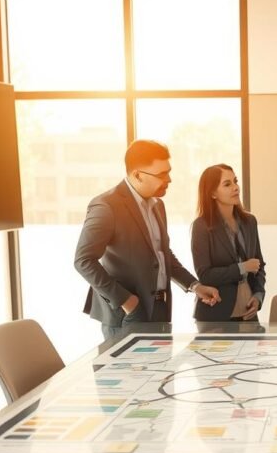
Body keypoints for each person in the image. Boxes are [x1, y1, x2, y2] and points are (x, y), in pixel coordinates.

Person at [74, 139, 220, 340]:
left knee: (160, 371)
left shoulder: (158, 205)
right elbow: (83, 261)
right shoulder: (106, 206)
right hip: (127, 314)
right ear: (137, 175)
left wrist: (194, 286)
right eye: (162, 174)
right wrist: (126, 301)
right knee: (127, 373)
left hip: (160, 308)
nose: (169, 179)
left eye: (169, 172)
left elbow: (162, 254)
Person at [190, 164, 265, 321]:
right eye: (227, 184)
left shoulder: (249, 221)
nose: (236, 188)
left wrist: (258, 296)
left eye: (235, 181)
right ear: (212, 193)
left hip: (248, 312)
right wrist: (242, 268)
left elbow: (259, 265)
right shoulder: (201, 226)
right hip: (216, 313)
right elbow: (205, 275)